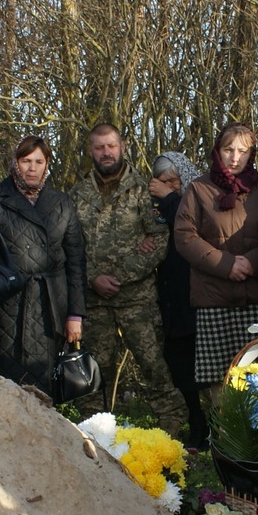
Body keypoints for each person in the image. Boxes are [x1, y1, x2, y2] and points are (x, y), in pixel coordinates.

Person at [70, 124, 183, 431]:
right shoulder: (78, 194)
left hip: (137, 300)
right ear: (90, 151)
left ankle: (172, 430)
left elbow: (160, 239)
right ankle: (93, 433)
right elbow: (70, 245)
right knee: (96, 371)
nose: (106, 152)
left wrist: (119, 276)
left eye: (111, 146)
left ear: (122, 146)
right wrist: (94, 278)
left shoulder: (144, 190)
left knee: (154, 366)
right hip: (95, 302)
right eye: (98, 147)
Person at [175, 124, 258, 384]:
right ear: (217, 151)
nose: (234, 157)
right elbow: (185, 236)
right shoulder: (198, 189)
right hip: (213, 299)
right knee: (219, 385)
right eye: (228, 149)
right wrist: (226, 264)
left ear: (251, 154)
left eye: (242, 151)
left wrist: (253, 263)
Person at [0, 135, 87, 390]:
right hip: (8, 303)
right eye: (26, 160)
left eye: (39, 161)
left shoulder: (62, 203)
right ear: (14, 163)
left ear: (47, 165)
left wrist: (75, 314)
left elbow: (76, 262)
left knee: (45, 388)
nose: (32, 168)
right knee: (9, 387)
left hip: (52, 303)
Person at [150, 151, 206, 443]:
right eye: (161, 182)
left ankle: (211, 427)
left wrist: (169, 198)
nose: (166, 187)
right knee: (179, 367)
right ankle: (195, 424)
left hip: (196, 297)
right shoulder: (156, 208)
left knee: (204, 369)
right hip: (169, 299)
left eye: (172, 181)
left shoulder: (198, 198)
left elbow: (189, 223)